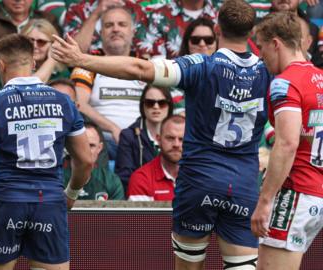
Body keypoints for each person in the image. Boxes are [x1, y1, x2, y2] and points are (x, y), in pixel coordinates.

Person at [52, 0, 272, 268]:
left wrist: (81, 59)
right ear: (251, 33)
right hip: (243, 184)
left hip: (199, 181)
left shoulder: (202, 65)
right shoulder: (267, 73)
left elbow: (140, 69)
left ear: (216, 28)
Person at [0, 34, 92, 270]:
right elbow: (85, 161)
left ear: (1, 65)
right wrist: (71, 194)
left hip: (7, 202)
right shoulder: (64, 102)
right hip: (49, 203)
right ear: (33, 63)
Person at [251, 11, 323, 270]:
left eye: (261, 47)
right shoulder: (320, 79)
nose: (260, 55)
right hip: (317, 192)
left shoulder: (284, 83)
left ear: (276, 43)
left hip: (295, 192)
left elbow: (286, 143)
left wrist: (265, 200)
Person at [70, 6, 147, 159]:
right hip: (105, 142)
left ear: (133, 32)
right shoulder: (87, 65)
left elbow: (162, 102)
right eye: (109, 25)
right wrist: (113, 129)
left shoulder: (146, 64)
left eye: (122, 24)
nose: (115, 29)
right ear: (100, 33)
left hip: (141, 139)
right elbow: (80, 104)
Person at [115, 85, 173, 193]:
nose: (156, 107)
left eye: (162, 103)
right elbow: (124, 177)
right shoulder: (128, 136)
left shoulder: (181, 136)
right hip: (140, 196)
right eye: (150, 103)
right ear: (143, 106)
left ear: (169, 106)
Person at [128, 115, 184, 201]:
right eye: (170, 138)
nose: (176, 144)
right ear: (158, 139)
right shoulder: (141, 179)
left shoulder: (203, 176)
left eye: (182, 139)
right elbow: (141, 215)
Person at [63, 121, 124, 200]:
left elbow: (118, 212)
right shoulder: (56, 180)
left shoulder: (111, 181)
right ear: (70, 147)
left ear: (99, 148)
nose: (86, 151)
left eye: (91, 145)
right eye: (81, 145)